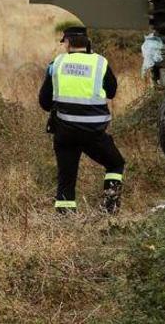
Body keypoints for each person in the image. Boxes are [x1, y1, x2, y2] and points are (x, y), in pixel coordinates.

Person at [38, 26, 126, 214]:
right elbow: (111, 92)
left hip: (64, 131)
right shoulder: (100, 63)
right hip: (93, 132)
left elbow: (44, 103)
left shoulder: (57, 64)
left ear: (68, 43)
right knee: (115, 163)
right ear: (87, 43)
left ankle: (64, 217)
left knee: (66, 176)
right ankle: (110, 208)